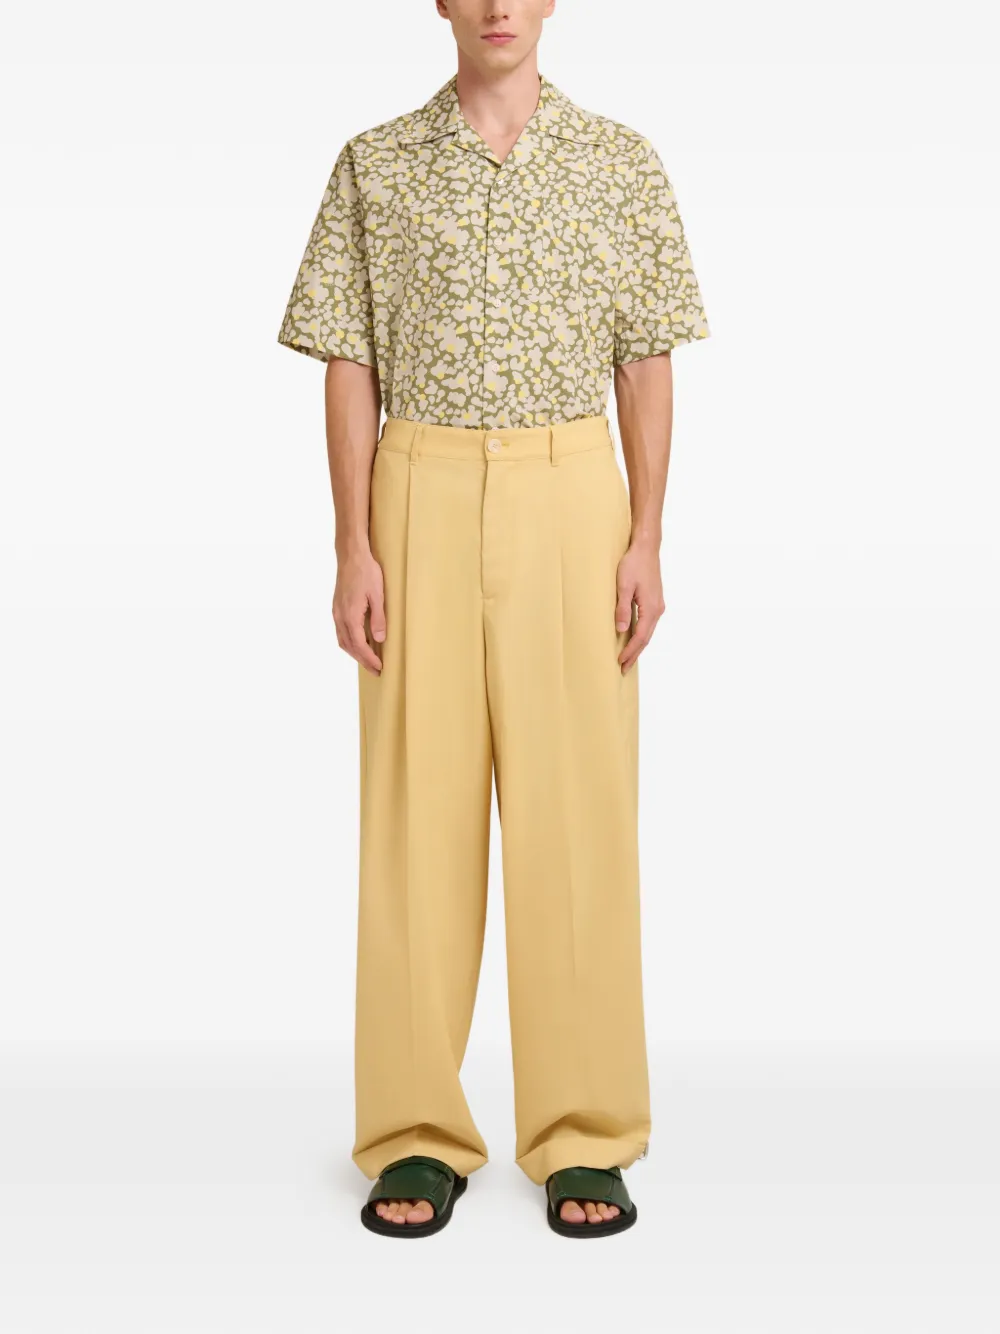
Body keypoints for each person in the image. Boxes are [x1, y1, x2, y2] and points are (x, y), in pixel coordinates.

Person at [276, 0, 709, 1238]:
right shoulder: (374, 164)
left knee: (577, 820)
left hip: (571, 494)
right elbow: (349, 361)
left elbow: (645, 358)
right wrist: (353, 543)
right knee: (416, 822)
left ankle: (585, 1131)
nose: (499, 6)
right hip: (416, 491)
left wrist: (646, 534)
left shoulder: (618, 160)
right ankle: (415, 1132)